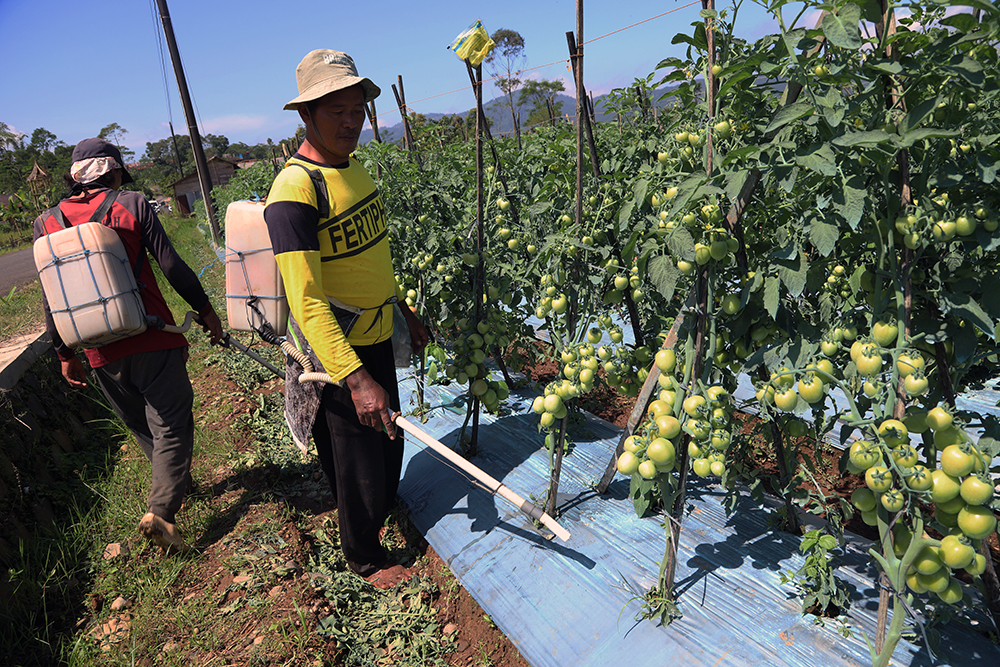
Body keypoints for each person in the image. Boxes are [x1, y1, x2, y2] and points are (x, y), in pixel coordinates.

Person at [263, 49, 428, 588]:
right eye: (335, 111)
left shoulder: (353, 170)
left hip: (378, 333)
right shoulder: (293, 192)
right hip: (338, 351)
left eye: (356, 109)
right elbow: (306, 299)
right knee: (358, 461)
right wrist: (355, 378)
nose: (350, 121)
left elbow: (370, 256)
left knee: (386, 444)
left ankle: (375, 518)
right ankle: (364, 559)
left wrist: (402, 309)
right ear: (305, 115)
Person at [33, 137, 224, 554]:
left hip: (97, 349)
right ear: (115, 170)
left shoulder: (45, 222)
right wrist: (207, 311)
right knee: (171, 419)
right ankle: (162, 512)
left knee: (141, 423)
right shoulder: (132, 204)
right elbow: (171, 265)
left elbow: (51, 297)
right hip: (150, 335)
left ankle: (176, 486)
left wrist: (65, 354)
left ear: (75, 178)